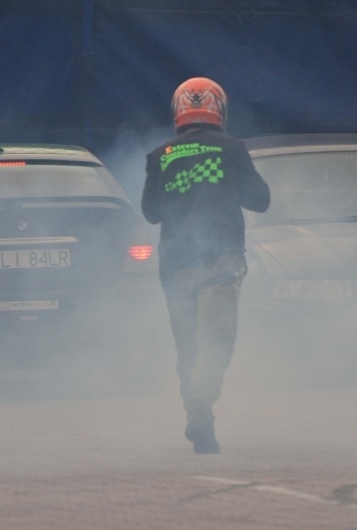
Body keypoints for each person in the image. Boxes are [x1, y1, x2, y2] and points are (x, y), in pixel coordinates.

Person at [141, 77, 270, 454]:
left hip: (176, 266)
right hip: (221, 261)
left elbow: (150, 214)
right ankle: (201, 405)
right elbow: (260, 200)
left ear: (178, 111)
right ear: (219, 110)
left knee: (188, 346)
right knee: (216, 339)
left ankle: (202, 426)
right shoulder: (231, 149)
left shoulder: (159, 155)